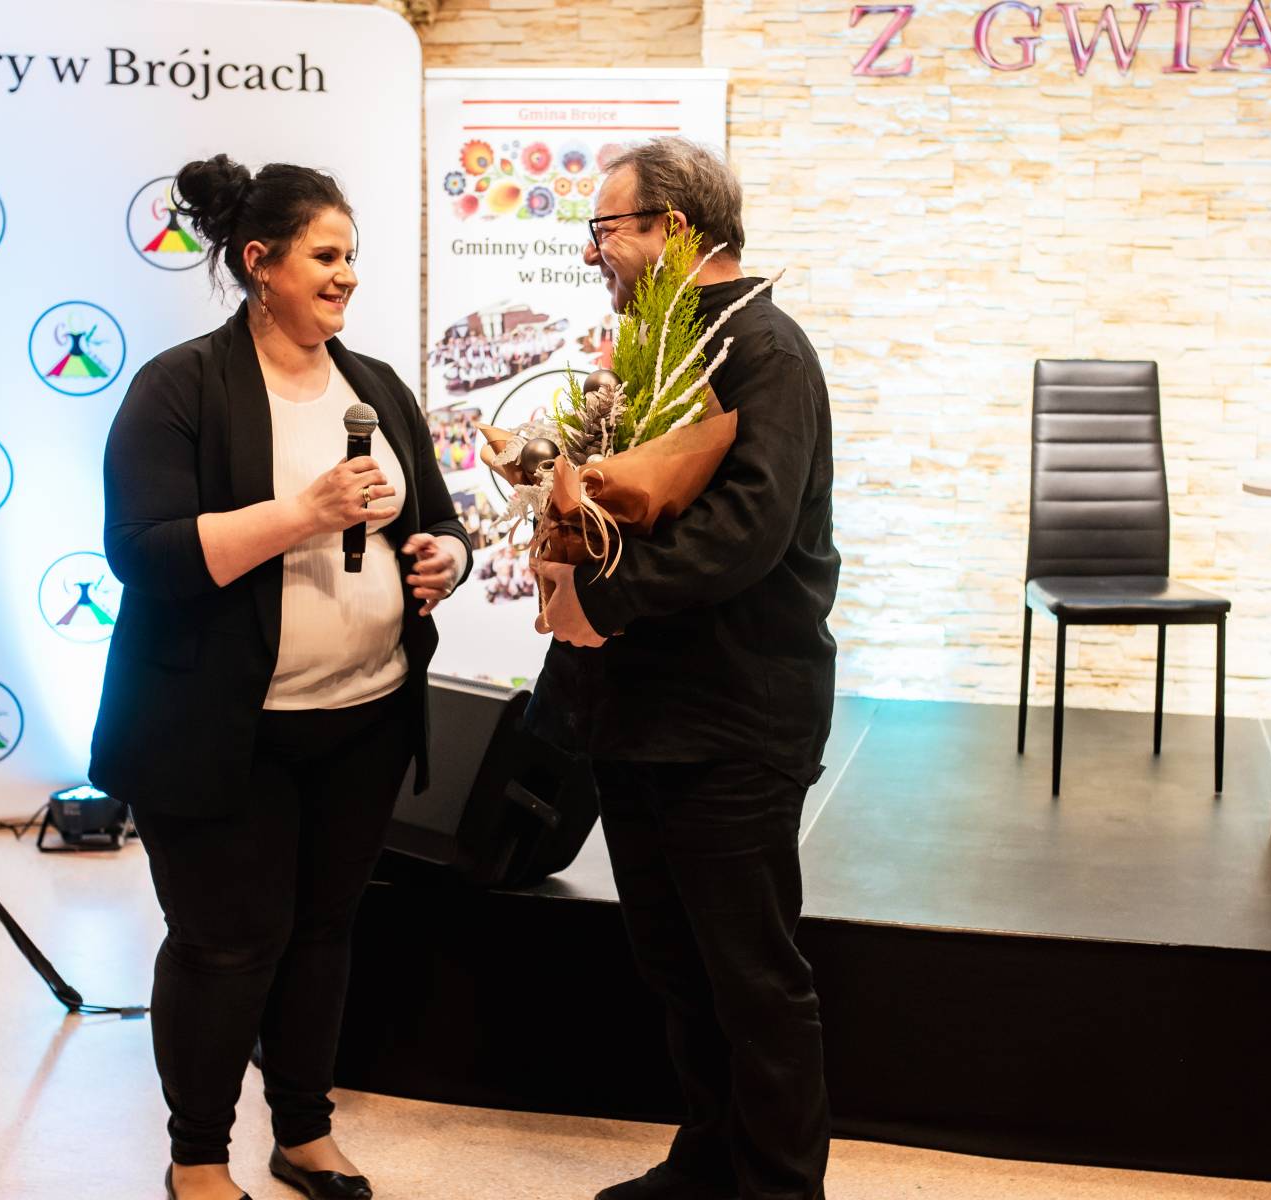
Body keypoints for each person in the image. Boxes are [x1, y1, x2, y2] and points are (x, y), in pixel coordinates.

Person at [90, 154, 472, 1200]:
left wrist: (443, 556)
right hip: (222, 730)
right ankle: (197, 1158)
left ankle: (304, 1133)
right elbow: (144, 554)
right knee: (227, 947)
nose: (348, 276)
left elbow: (438, 516)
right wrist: (304, 513)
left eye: (353, 256)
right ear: (259, 262)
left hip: (364, 718)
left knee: (322, 934)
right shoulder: (179, 387)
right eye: (326, 256)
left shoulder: (375, 385)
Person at [532, 137, 840, 1200]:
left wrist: (602, 597)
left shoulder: (763, 350)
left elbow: (747, 531)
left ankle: (780, 1189)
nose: (592, 253)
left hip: (733, 718)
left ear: (675, 230)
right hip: (643, 713)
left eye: (606, 229)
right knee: (677, 965)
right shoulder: (656, 348)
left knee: (752, 980)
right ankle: (707, 1166)